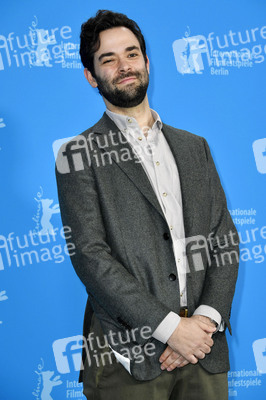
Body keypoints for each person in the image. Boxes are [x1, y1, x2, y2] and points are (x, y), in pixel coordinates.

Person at [55, 9, 239, 400]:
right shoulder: (77, 155)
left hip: (204, 353)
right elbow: (90, 256)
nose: (124, 66)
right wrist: (171, 329)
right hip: (127, 356)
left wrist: (204, 322)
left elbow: (224, 239)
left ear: (147, 61)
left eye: (132, 53)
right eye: (108, 59)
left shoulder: (195, 147)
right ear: (91, 76)